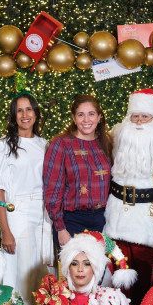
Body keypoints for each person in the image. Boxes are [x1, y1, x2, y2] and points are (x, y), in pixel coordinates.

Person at [0, 92, 53, 305]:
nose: (25, 115)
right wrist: (5, 230)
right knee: (21, 275)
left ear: (36, 113)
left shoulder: (45, 144)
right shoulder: (3, 146)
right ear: (14, 116)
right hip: (19, 214)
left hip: (43, 216)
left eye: (29, 109)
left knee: (40, 273)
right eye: (19, 110)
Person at [104, 88, 153, 305]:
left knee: (144, 272)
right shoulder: (117, 136)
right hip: (116, 212)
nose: (139, 122)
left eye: (145, 117)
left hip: (147, 218)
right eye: (135, 116)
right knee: (114, 269)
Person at [43, 95, 112, 253]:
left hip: (102, 220)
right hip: (72, 221)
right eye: (81, 115)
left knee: (98, 273)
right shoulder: (61, 144)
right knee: (77, 273)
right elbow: (52, 189)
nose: (86, 119)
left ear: (99, 117)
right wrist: (60, 228)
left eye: (91, 114)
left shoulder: (106, 142)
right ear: (74, 118)